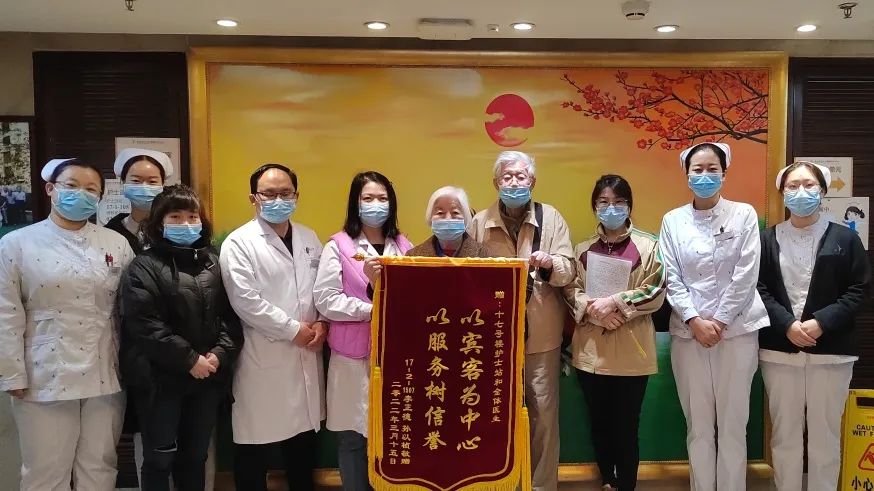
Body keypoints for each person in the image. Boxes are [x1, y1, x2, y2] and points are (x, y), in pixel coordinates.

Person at [0, 158, 135, 491]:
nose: (82, 194)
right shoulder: (16, 244)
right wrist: (12, 372)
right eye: (72, 186)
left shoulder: (115, 243)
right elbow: (6, 311)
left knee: (100, 465)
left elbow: (131, 307)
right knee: (46, 469)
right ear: (51, 189)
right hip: (43, 372)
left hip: (106, 369)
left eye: (91, 190)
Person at [659, 142, 768, 491]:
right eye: (697, 169)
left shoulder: (743, 214)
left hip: (736, 332)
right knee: (699, 426)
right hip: (688, 335)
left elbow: (747, 273)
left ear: (724, 173)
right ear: (686, 174)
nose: (704, 176)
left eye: (712, 169)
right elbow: (670, 276)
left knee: (734, 425)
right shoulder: (672, 220)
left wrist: (718, 322)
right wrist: (694, 320)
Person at [757, 161, 871, 491]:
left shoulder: (846, 238)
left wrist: (821, 322)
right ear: (782, 193)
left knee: (825, 436)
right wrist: (787, 325)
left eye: (809, 185)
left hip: (832, 352)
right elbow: (757, 288)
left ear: (822, 191)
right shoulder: (767, 239)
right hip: (780, 351)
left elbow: (860, 289)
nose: (801, 192)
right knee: (784, 436)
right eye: (792, 186)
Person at [120, 184, 242, 491]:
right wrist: (189, 360)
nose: (185, 223)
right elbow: (146, 325)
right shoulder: (143, 266)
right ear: (159, 222)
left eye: (192, 216)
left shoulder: (214, 262)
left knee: (195, 457)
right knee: (159, 459)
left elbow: (231, 316)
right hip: (160, 383)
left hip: (207, 380)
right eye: (175, 217)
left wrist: (219, 354)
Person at [468, 150, 575, 491]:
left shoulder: (551, 218)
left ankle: (540, 486)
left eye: (521, 176)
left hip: (542, 337)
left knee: (543, 416)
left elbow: (569, 270)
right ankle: (500, 483)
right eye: (507, 177)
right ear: (495, 183)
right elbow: (466, 280)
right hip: (493, 340)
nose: (514, 183)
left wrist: (551, 263)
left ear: (533, 181)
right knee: (495, 415)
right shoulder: (479, 223)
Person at [219, 164, 327, 491]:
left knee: (302, 451)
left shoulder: (309, 238)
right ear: (253, 198)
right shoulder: (239, 243)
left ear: (297, 195)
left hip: (307, 355)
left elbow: (322, 289)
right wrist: (293, 330)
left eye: (285, 193)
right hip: (262, 359)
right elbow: (245, 301)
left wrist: (322, 323)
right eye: (269, 194)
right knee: (255, 451)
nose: (278, 200)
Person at [563, 175, 665, 491]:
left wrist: (616, 303)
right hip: (591, 353)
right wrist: (595, 311)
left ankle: (627, 484)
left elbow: (656, 290)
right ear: (595, 206)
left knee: (626, 426)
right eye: (604, 202)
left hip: (633, 354)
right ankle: (608, 479)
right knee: (600, 423)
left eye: (619, 202)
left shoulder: (649, 246)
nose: (611, 209)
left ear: (629, 206)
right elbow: (570, 289)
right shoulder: (582, 249)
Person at [314, 171, 412, 491]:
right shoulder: (338, 245)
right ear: (355, 204)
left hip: (396, 356)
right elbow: (326, 300)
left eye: (382, 198)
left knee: (392, 434)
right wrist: (372, 310)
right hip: (352, 358)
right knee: (353, 438)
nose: (375, 204)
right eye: (367, 198)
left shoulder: (404, 246)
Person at [106, 148, 174, 254]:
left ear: (163, 184)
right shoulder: (109, 233)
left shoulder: (174, 230)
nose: (144, 187)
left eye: (152, 181)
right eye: (136, 180)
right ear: (123, 183)